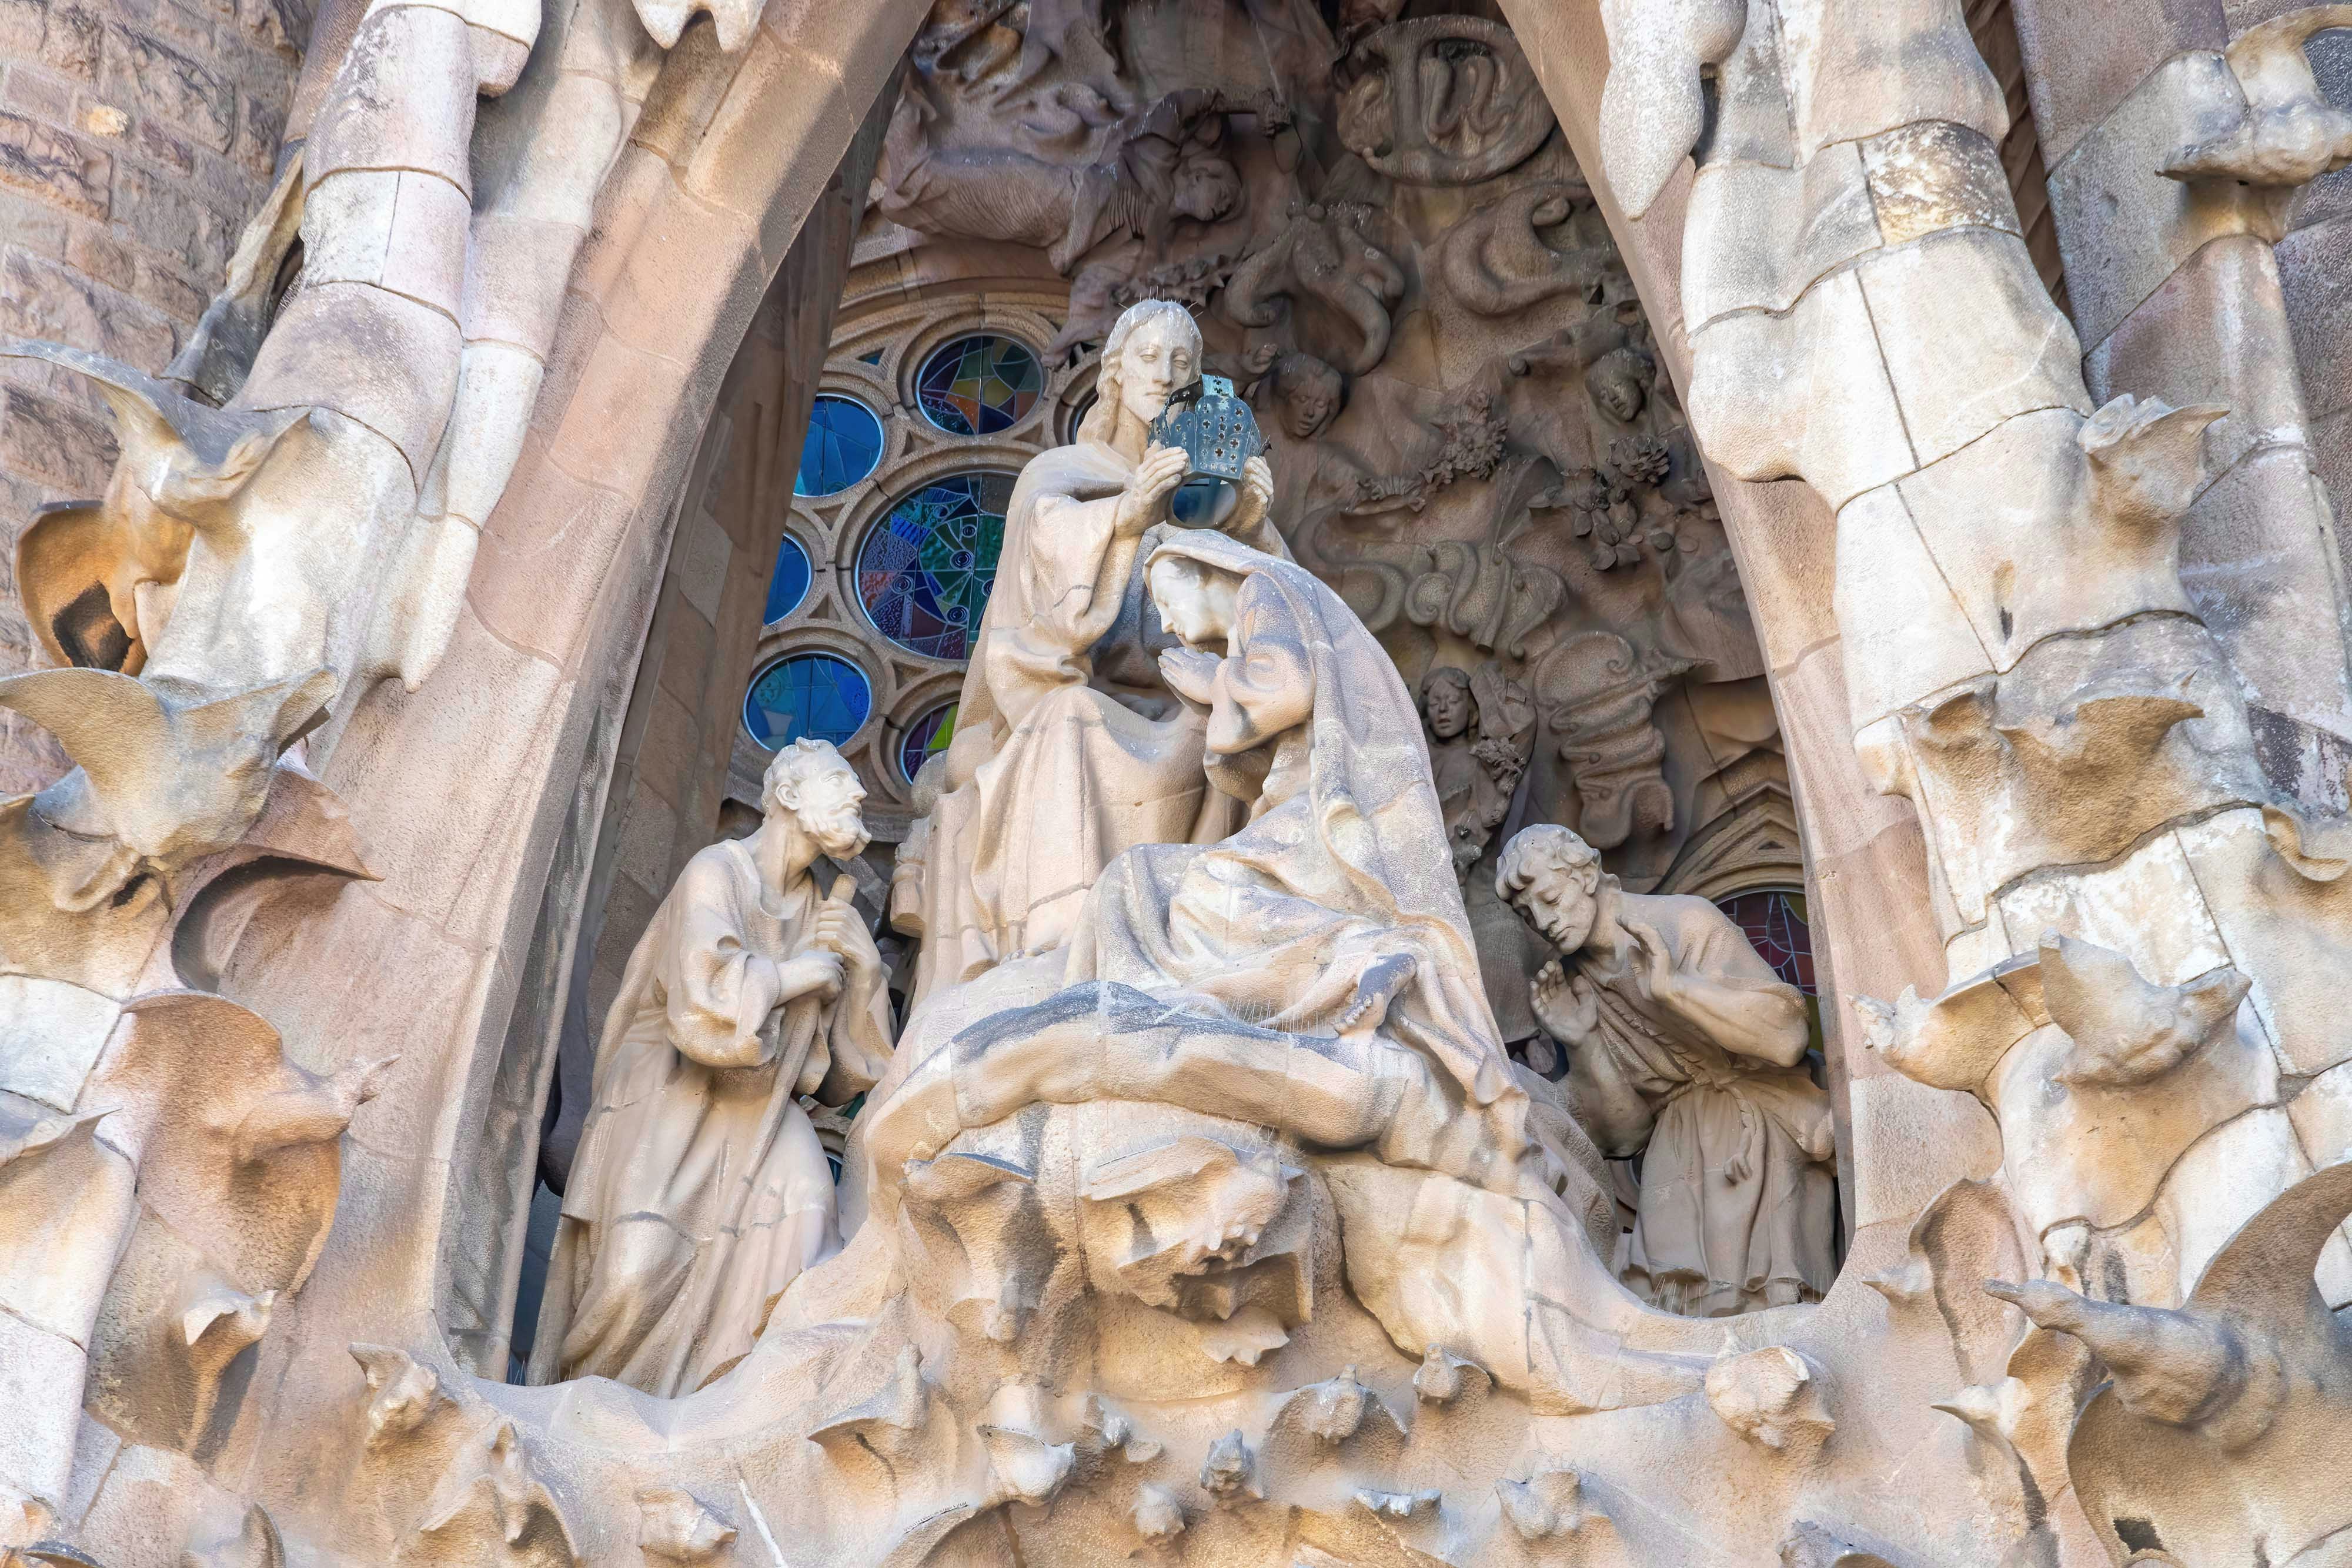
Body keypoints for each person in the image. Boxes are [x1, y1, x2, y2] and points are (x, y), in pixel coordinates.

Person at [907, 299, 1284, 1006]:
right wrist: (1124, 515)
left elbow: (1272, 627)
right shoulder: (1062, 473)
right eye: (1147, 358)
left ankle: (1191, 947)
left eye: (1181, 364)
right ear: (1114, 373)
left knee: (1224, 730)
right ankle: (1065, 934)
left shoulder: (1210, 493)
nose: (1164, 375)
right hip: (1081, 700)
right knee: (1071, 718)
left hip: (1180, 702)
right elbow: (1043, 596)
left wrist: (1256, 534)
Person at [530, 740, 893, 1396]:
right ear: (786, 796)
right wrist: (792, 975)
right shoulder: (716, 872)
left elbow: (840, 1085)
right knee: (633, 1279)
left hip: (761, 1107)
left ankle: (739, 1417)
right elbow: (701, 1005)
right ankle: (588, 1427)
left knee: (810, 1238)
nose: (860, 795)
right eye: (840, 781)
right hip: (670, 1090)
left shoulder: (825, 910)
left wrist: (864, 975)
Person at [1496, 824, 1836, 1316]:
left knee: (1765, 1314)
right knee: (1676, 1319)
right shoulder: (1582, 982)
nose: (1544, 921)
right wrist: (1584, 1038)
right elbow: (1625, 1136)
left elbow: (1785, 1039)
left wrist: (1675, 990)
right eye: (1529, 915)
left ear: (1587, 875)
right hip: (1674, 1159)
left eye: (1550, 898)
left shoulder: (1685, 922)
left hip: (1759, 1135)